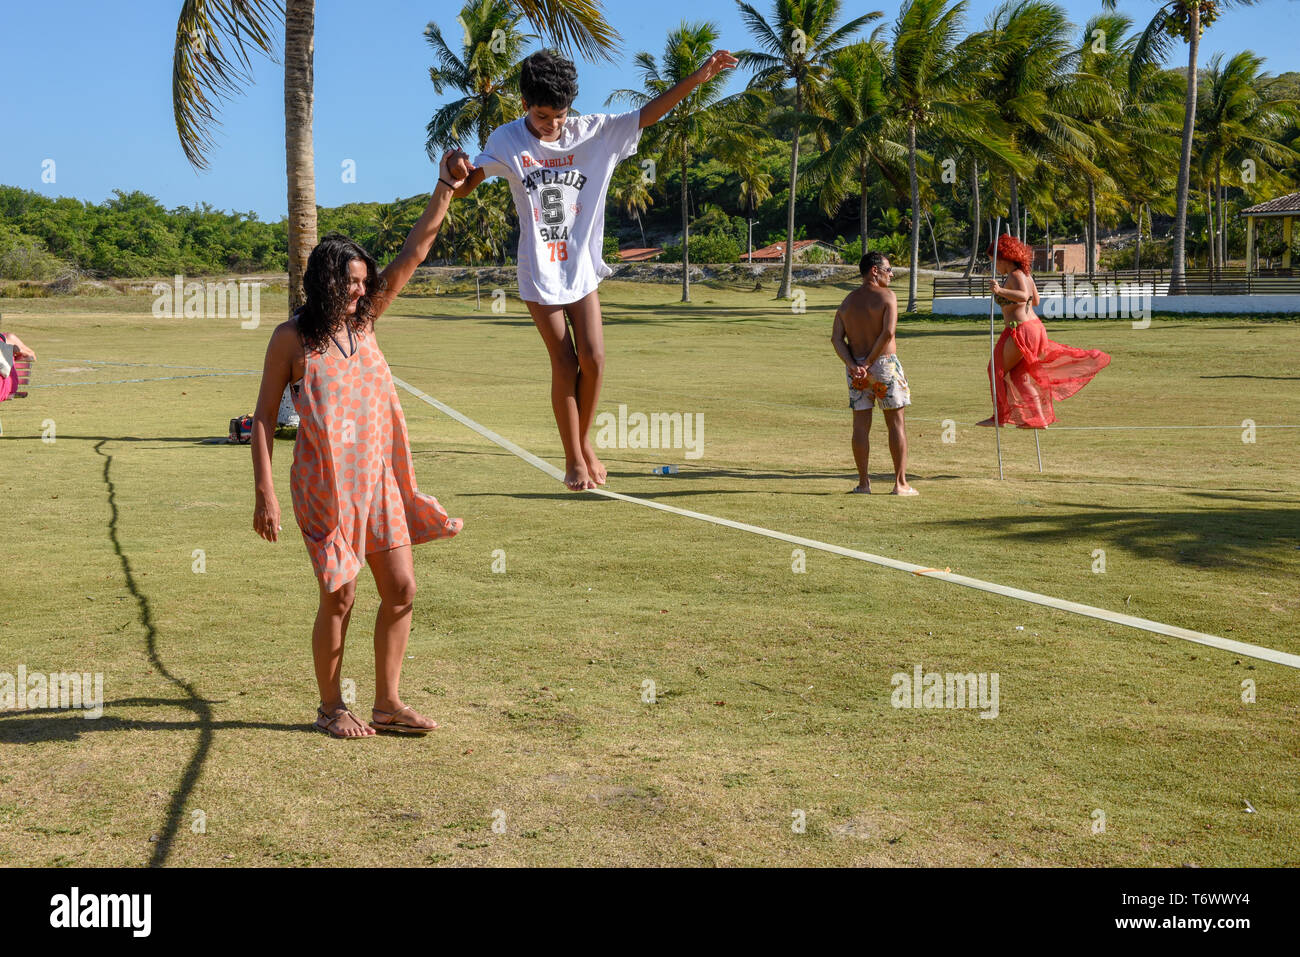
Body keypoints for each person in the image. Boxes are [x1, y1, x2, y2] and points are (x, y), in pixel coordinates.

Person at [250, 150, 467, 739]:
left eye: (363, 282)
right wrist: (264, 493)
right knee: (340, 597)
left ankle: (388, 703)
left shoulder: (366, 322)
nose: (358, 290)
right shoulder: (291, 339)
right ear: (323, 280)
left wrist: (444, 187)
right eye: (347, 281)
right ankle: (329, 709)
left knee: (401, 589)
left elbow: (414, 252)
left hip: (378, 483)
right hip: (325, 487)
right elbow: (265, 419)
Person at [452, 47, 738, 490]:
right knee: (564, 363)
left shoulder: (592, 132)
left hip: (581, 265)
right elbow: (468, 185)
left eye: (560, 115)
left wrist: (699, 77)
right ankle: (575, 459)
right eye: (544, 116)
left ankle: (584, 442)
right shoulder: (507, 140)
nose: (553, 125)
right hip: (538, 271)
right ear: (526, 105)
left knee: (596, 358)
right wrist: (452, 164)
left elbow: (648, 114)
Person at [978, 234, 1110, 429]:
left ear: (1006, 257)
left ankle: (1000, 416)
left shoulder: (1015, 275)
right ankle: (1038, 419)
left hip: (1021, 330)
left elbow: (1023, 296)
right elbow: (1036, 300)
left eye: (995, 261)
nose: (994, 266)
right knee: (1018, 376)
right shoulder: (1026, 275)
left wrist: (1000, 291)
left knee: (995, 369)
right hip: (1035, 328)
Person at [831, 252, 916, 496]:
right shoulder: (887, 297)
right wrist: (869, 363)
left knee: (860, 426)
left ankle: (863, 483)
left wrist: (853, 364)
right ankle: (900, 484)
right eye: (888, 270)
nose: (891, 275)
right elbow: (888, 333)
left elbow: (836, 338)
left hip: (856, 368)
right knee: (896, 424)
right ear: (874, 271)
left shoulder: (847, 302)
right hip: (883, 364)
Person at [0, 329, 35, 402]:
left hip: (4, 388)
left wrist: (17, 351)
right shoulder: (7, 339)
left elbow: (32, 355)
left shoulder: (8, 338)